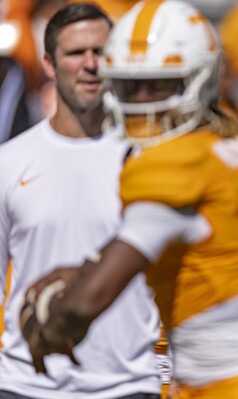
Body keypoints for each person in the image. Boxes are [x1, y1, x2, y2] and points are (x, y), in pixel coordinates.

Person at [18, 2, 238, 398]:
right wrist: (81, 273)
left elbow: (88, 301)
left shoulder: (174, 163)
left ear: (197, 79)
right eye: (131, 85)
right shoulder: (217, 142)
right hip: (218, 375)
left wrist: (52, 326)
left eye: (160, 84)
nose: (144, 101)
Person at [0, 3, 163, 399]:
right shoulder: (9, 162)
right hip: (24, 384)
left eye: (101, 53)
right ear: (50, 64)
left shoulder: (153, 158)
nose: (90, 64)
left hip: (128, 383)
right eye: (75, 53)